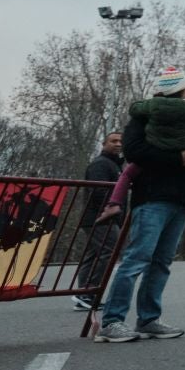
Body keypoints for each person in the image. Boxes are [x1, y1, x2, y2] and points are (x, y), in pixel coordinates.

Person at [96, 83, 185, 343]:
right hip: (152, 199)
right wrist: (179, 158)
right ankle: (112, 321)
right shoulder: (142, 119)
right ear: (173, 92)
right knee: (136, 260)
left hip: (181, 200)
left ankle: (149, 319)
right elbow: (136, 153)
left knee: (161, 263)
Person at [96, 68, 185, 221]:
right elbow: (133, 151)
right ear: (178, 90)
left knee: (127, 174)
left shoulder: (149, 108)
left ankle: (114, 203)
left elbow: (134, 110)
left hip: (172, 194)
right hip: (160, 196)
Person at [71, 131, 125, 311]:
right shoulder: (101, 164)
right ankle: (88, 294)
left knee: (94, 254)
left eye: (120, 141)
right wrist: (111, 210)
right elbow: (99, 191)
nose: (118, 144)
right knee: (107, 253)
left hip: (104, 217)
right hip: (100, 217)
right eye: (113, 141)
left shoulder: (115, 165)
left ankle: (83, 295)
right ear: (103, 144)